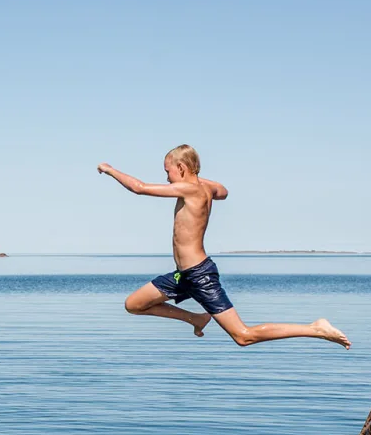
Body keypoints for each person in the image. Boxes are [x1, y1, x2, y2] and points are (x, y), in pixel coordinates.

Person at [97, 145, 351, 348]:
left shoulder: (187, 189)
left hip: (200, 275)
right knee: (134, 304)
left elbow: (138, 188)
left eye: (168, 171)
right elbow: (224, 191)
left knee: (243, 336)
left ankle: (315, 328)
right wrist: (197, 176)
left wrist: (109, 169)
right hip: (182, 275)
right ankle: (196, 318)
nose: (166, 177)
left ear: (182, 168)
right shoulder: (203, 188)